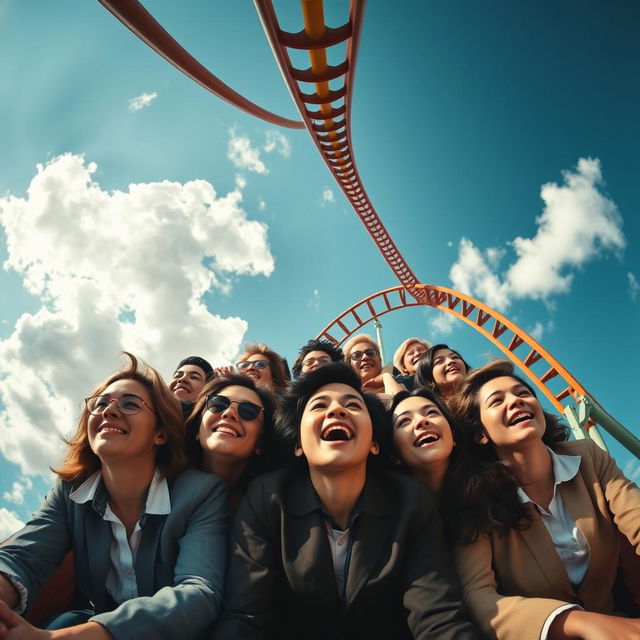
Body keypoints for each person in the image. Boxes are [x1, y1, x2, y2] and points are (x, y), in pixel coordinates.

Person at [214, 362, 479, 639]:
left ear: (375, 443)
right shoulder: (267, 496)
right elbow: (246, 617)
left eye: (352, 405)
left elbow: (438, 617)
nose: (336, 411)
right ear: (298, 445)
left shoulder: (411, 501)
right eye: (318, 406)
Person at [0, 353, 228, 640]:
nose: (108, 411)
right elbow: (23, 556)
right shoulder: (69, 491)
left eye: (130, 404)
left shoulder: (201, 492)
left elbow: (198, 592)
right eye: (100, 404)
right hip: (92, 618)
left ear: (160, 433)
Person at [449, 359, 640, 640]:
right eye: (497, 400)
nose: (516, 401)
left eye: (523, 393)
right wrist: (578, 623)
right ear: (480, 434)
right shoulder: (475, 498)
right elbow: (478, 595)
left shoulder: (588, 457)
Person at [185, 374, 276, 511]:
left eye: (248, 410)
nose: (229, 412)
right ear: (198, 429)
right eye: (218, 404)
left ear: (260, 443)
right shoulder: (163, 483)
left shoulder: (274, 506)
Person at [389, 387, 460, 495]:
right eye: (404, 421)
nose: (421, 420)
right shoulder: (385, 508)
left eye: (431, 412)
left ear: (453, 435)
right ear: (394, 454)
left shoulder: (491, 491)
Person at [342, 333, 405, 405]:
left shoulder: (403, 380)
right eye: (356, 355)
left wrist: (386, 377)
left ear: (380, 359)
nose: (365, 357)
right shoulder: (346, 397)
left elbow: (404, 404)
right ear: (350, 365)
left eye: (370, 353)